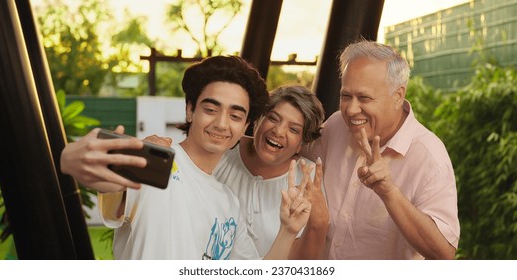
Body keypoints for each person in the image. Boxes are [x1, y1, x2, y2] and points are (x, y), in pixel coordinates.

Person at [61, 55, 312, 260]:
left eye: (235, 116)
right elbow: (108, 180)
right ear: (190, 110)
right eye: (211, 109)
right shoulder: (156, 162)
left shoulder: (228, 204)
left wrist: (288, 231)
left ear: (246, 125)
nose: (222, 124)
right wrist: (72, 159)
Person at [303, 40, 460, 260]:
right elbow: (291, 155)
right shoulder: (336, 125)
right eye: (345, 96)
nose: (351, 109)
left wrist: (389, 193)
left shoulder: (429, 157)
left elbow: (444, 253)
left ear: (398, 96)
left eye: (364, 98)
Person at [148, 85, 329, 259]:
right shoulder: (219, 153)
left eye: (293, 129)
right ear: (257, 119)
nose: (279, 131)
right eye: (273, 118)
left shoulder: (310, 179)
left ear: (302, 144)